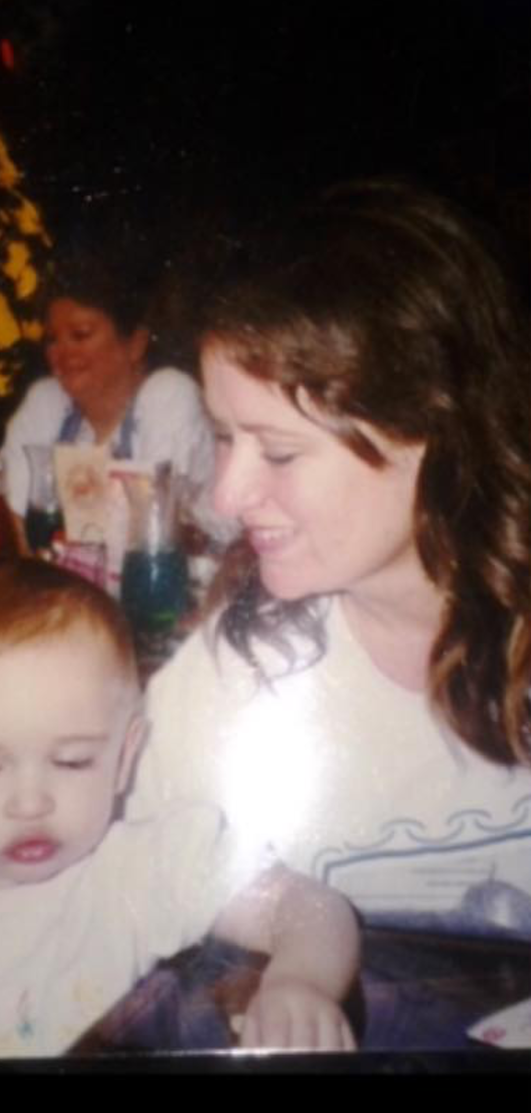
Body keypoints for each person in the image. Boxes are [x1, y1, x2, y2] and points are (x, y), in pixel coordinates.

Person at [127, 179, 531, 939]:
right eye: (224, 436)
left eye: (280, 451)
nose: (227, 495)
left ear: (433, 433)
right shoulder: (230, 677)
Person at [0, 559, 358, 1059]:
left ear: (124, 757)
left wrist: (302, 982)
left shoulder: (140, 871)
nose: (30, 803)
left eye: (73, 761)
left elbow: (308, 907)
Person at [0, 249, 219, 532]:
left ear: (136, 343)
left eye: (81, 334)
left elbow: (153, 527)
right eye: (52, 339)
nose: (62, 352)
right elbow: (14, 516)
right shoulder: (46, 402)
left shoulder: (168, 395)